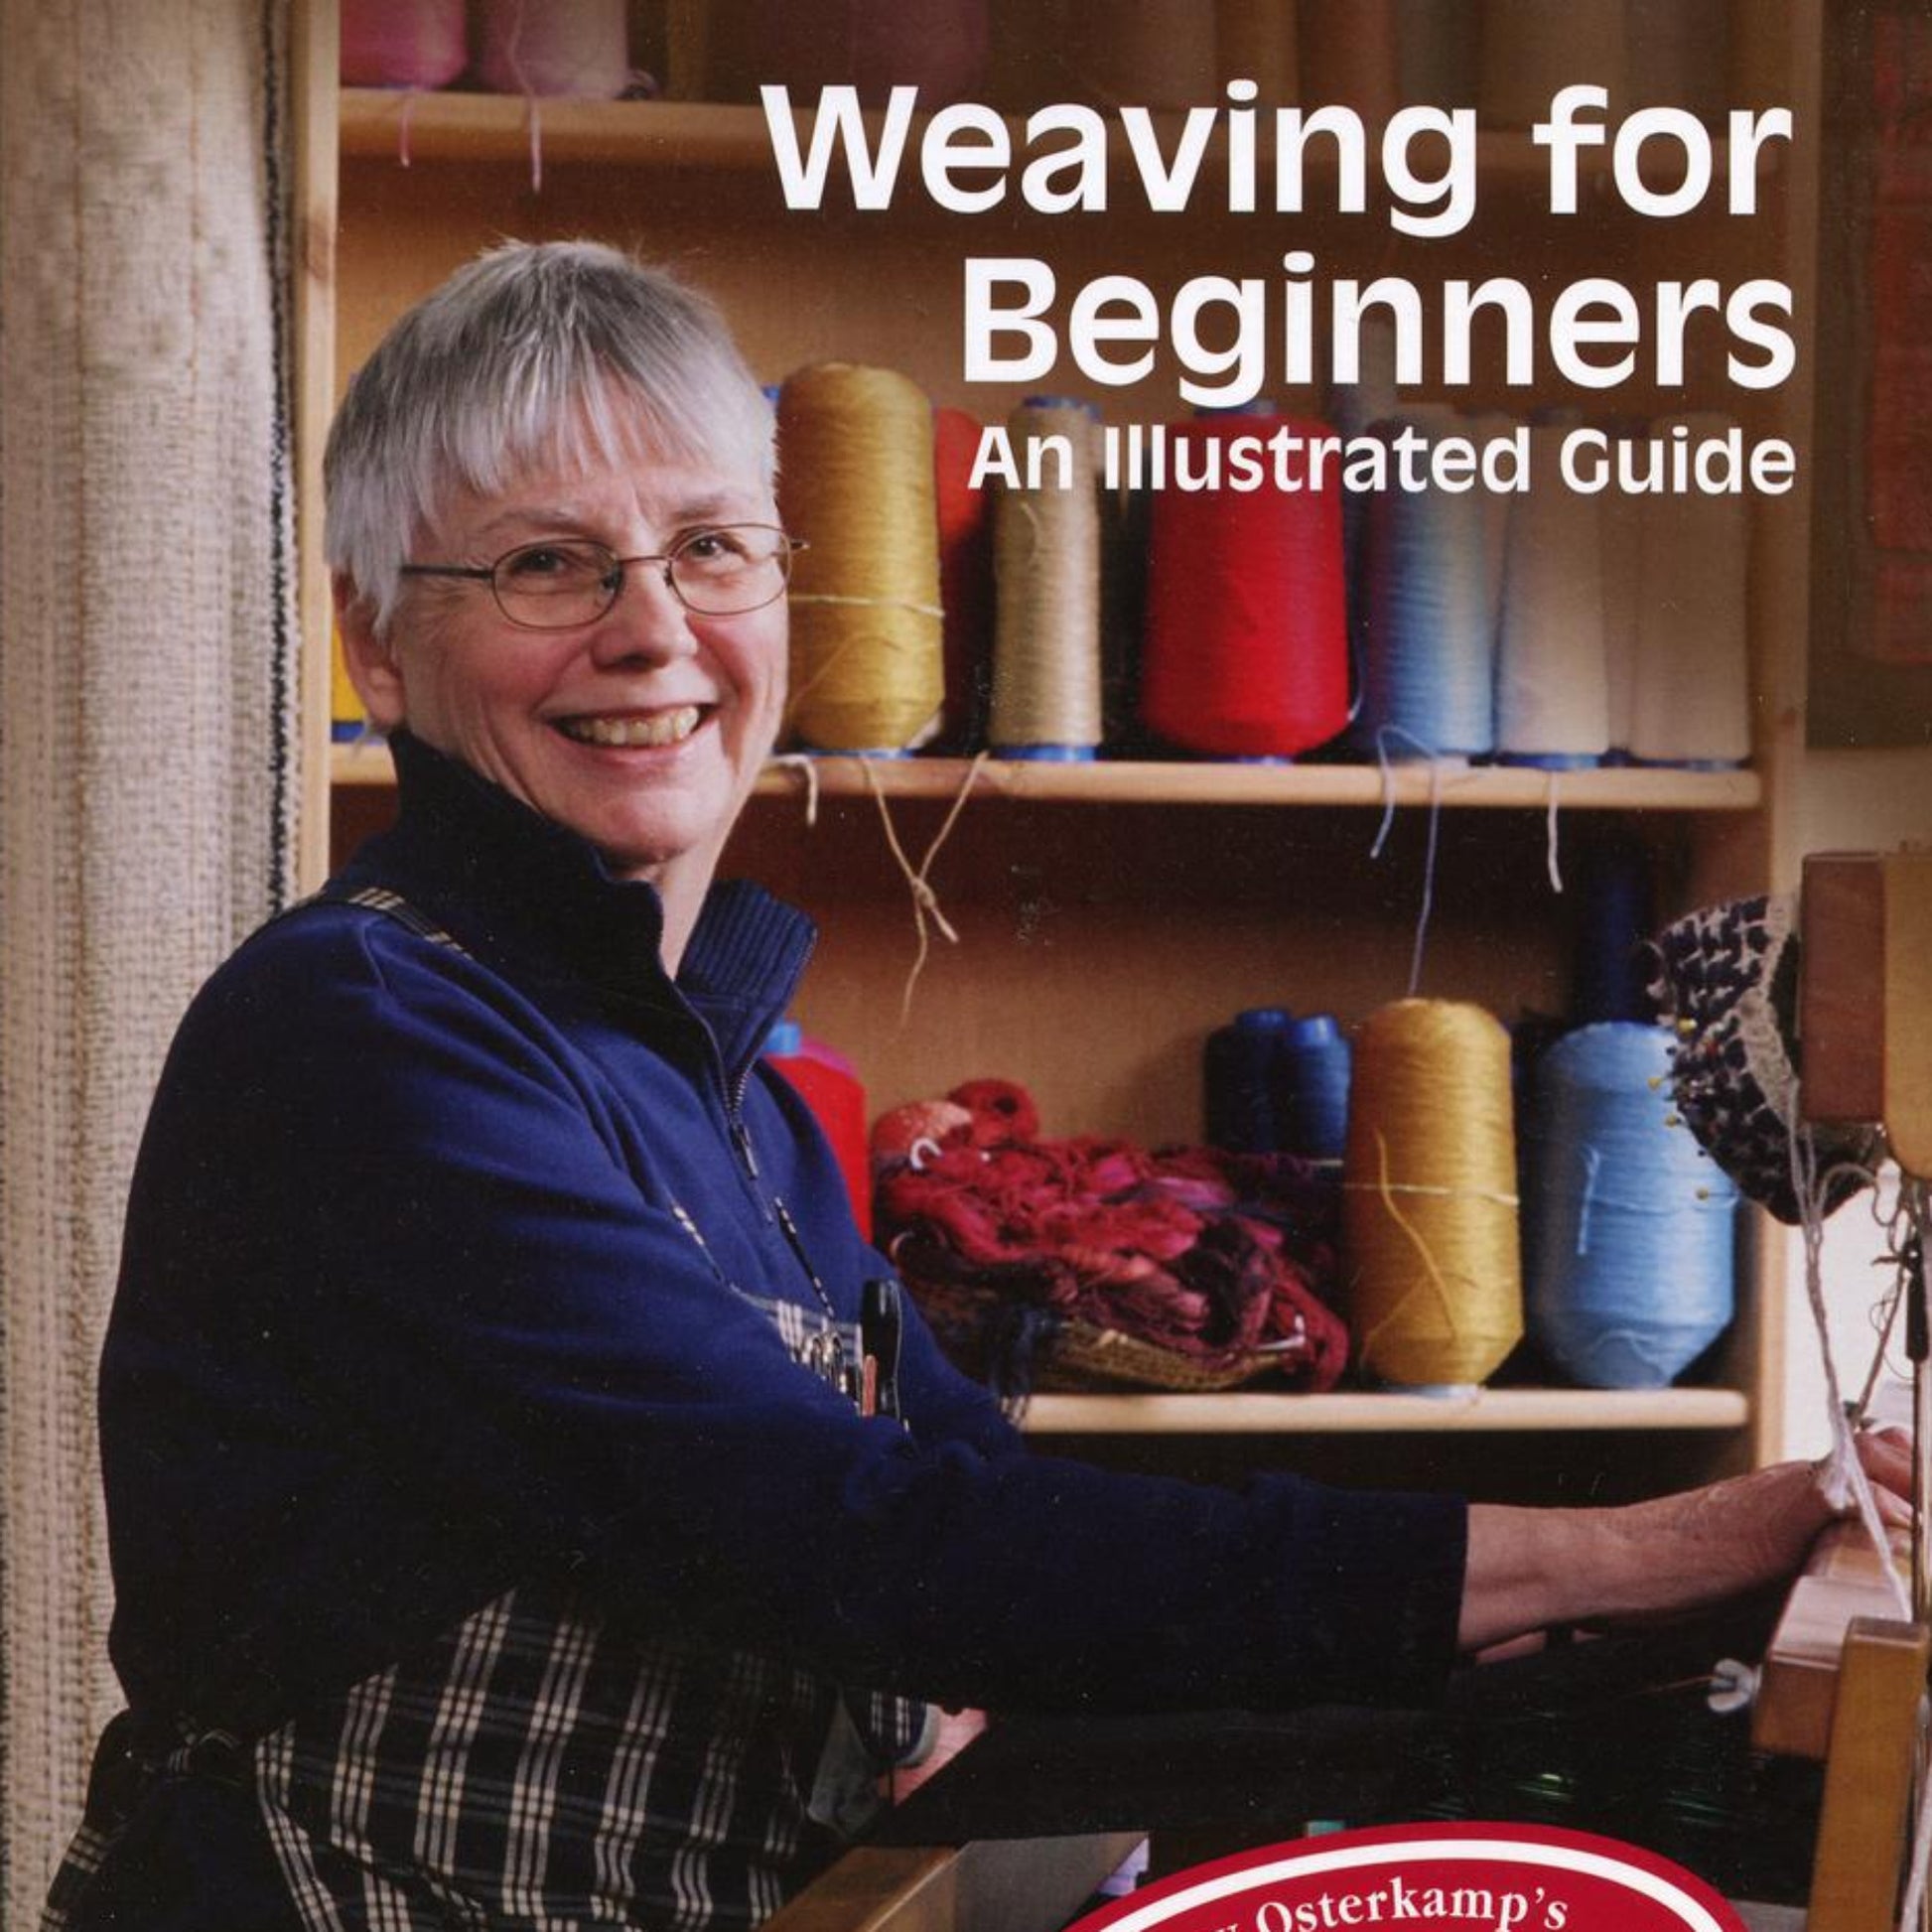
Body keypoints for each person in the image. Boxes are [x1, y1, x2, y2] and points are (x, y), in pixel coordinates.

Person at [46, 241, 1911, 1932]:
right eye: (546, 562)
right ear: (378, 637)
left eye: (709, 545)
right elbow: (882, 1541)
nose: (651, 628)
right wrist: (1653, 1545)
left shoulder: (748, 1111)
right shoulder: (369, 1032)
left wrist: (1674, 1590)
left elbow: (998, 1532)